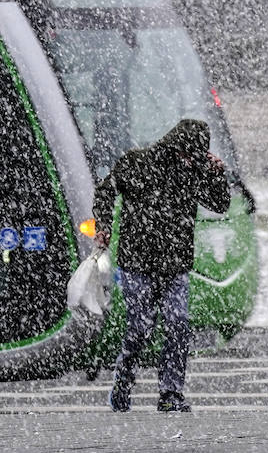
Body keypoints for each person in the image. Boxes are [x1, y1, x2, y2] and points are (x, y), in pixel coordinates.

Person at [93, 118, 230, 413]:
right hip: (137, 263)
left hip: (175, 265)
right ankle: (123, 382)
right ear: (174, 147)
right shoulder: (136, 162)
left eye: (195, 156)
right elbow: (106, 190)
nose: (189, 161)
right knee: (140, 328)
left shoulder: (194, 170)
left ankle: (171, 393)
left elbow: (220, 205)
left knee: (178, 325)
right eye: (187, 154)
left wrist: (217, 176)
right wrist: (103, 224)